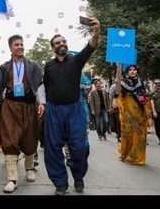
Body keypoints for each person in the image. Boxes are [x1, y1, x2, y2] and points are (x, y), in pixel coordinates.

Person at [43, 17, 100, 195]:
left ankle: (78, 176)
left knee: (79, 147)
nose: (62, 44)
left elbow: (91, 46)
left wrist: (96, 31)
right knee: (52, 149)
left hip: (74, 110)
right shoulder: (48, 66)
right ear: (53, 48)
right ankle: (60, 183)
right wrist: (43, 105)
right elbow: (45, 86)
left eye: (64, 41)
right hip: (54, 111)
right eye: (58, 42)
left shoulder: (76, 61)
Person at [0, 34, 46, 193]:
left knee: (30, 137)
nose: (20, 46)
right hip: (10, 106)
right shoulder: (5, 67)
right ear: (11, 48)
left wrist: (42, 102)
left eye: (21, 44)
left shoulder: (34, 65)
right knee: (9, 139)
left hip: (29, 105)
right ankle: (12, 178)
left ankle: (29, 168)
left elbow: (40, 85)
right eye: (16, 45)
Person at [114, 64, 149, 165]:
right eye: (130, 70)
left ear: (137, 71)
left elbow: (144, 96)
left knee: (139, 134)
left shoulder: (141, 82)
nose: (132, 71)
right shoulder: (122, 83)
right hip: (127, 114)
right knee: (128, 134)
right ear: (127, 72)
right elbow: (117, 95)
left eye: (134, 70)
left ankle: (137, 157)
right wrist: (117, 83)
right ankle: (126, 154)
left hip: (139, 113)